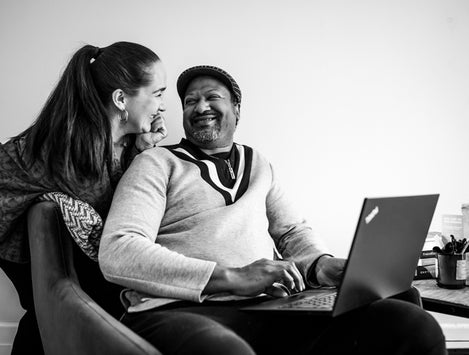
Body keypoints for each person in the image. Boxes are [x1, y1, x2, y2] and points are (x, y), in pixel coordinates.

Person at [98, 65, 447, 354]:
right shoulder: (156, 163)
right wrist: (233, 277)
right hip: (179, 309)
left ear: (236, 109)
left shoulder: (259, 164)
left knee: (410, 321)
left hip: (269, 308)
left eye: (212, 97)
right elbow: (119, 249)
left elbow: (292, 232)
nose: (200, 106)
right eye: (190, 101)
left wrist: (323, 266)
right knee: (224, 350)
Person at [0, 41, 167, 354]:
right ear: (121, 99)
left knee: (43, 308)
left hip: (3, 212)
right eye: (158, 93)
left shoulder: (117, 141)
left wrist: (141, 148)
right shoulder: (77, 144)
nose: (162, 106)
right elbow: (109, 225)